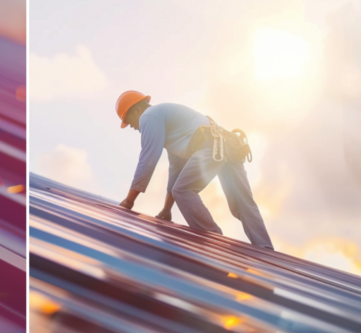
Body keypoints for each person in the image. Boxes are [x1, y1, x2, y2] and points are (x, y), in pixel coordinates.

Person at [115, 90, 274, 250]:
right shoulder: (173, 128)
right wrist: (167, 209)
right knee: (242, 204)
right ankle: (266, 249)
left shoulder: (148, 116)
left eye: (129, 122)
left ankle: (213, 242)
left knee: (183, 190)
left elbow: (148, 159)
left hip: (211, 145)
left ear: (137, 110)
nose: (133, 127)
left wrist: (129, 200)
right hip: (227, 145)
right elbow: (176, 170)